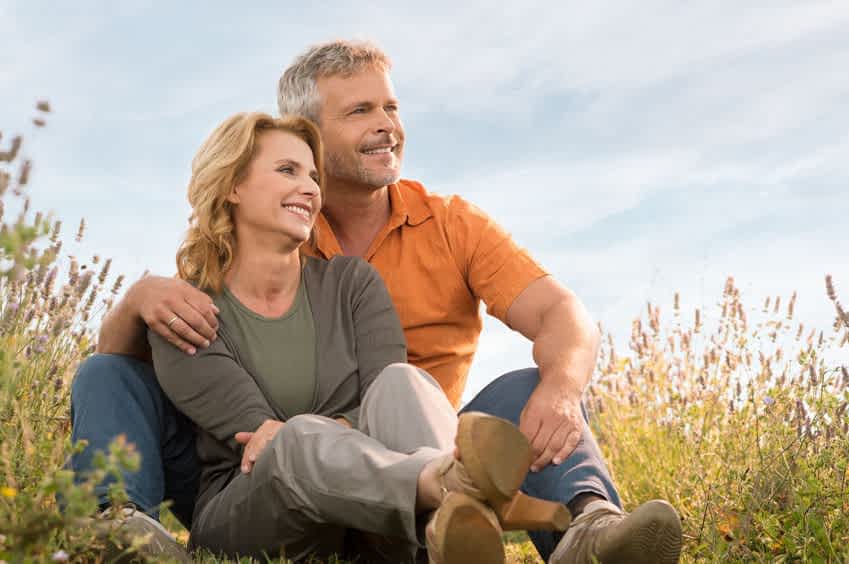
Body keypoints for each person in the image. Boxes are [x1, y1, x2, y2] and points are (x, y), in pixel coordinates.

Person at [71, 41, 683, 563]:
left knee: (510, 382)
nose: (387, 124)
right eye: (361, 110)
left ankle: (586, 527)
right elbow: (220, 412)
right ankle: (119, 528)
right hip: (280, 474)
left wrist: (563, 389)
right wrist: (136, 300)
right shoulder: (229, 275)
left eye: (391, 106)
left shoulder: (436, 232)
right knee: (122, 376)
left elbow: (559, 315)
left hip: (421, 438)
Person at [148, 110, 570, 562]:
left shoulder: (352, 282)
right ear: (233, 186)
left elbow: (380, 398)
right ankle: (455, 486)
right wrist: (340, 431)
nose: (310, 188)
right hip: (253, 515)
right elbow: (260, 435)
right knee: (294, 441)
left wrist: (348, 435)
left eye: (313, 175)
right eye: (287, 171)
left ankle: (456, 510)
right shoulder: (184, 310)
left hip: (371, 521)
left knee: (401, 383)